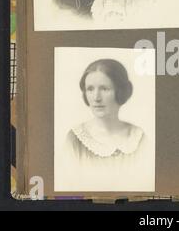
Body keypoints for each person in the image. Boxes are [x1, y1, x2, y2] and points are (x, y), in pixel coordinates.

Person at [63, 59, 152, 191]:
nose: (96, 97)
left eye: (104, 89)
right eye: (90, 89)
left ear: (120, 91)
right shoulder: (75, 139)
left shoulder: (138, 138)